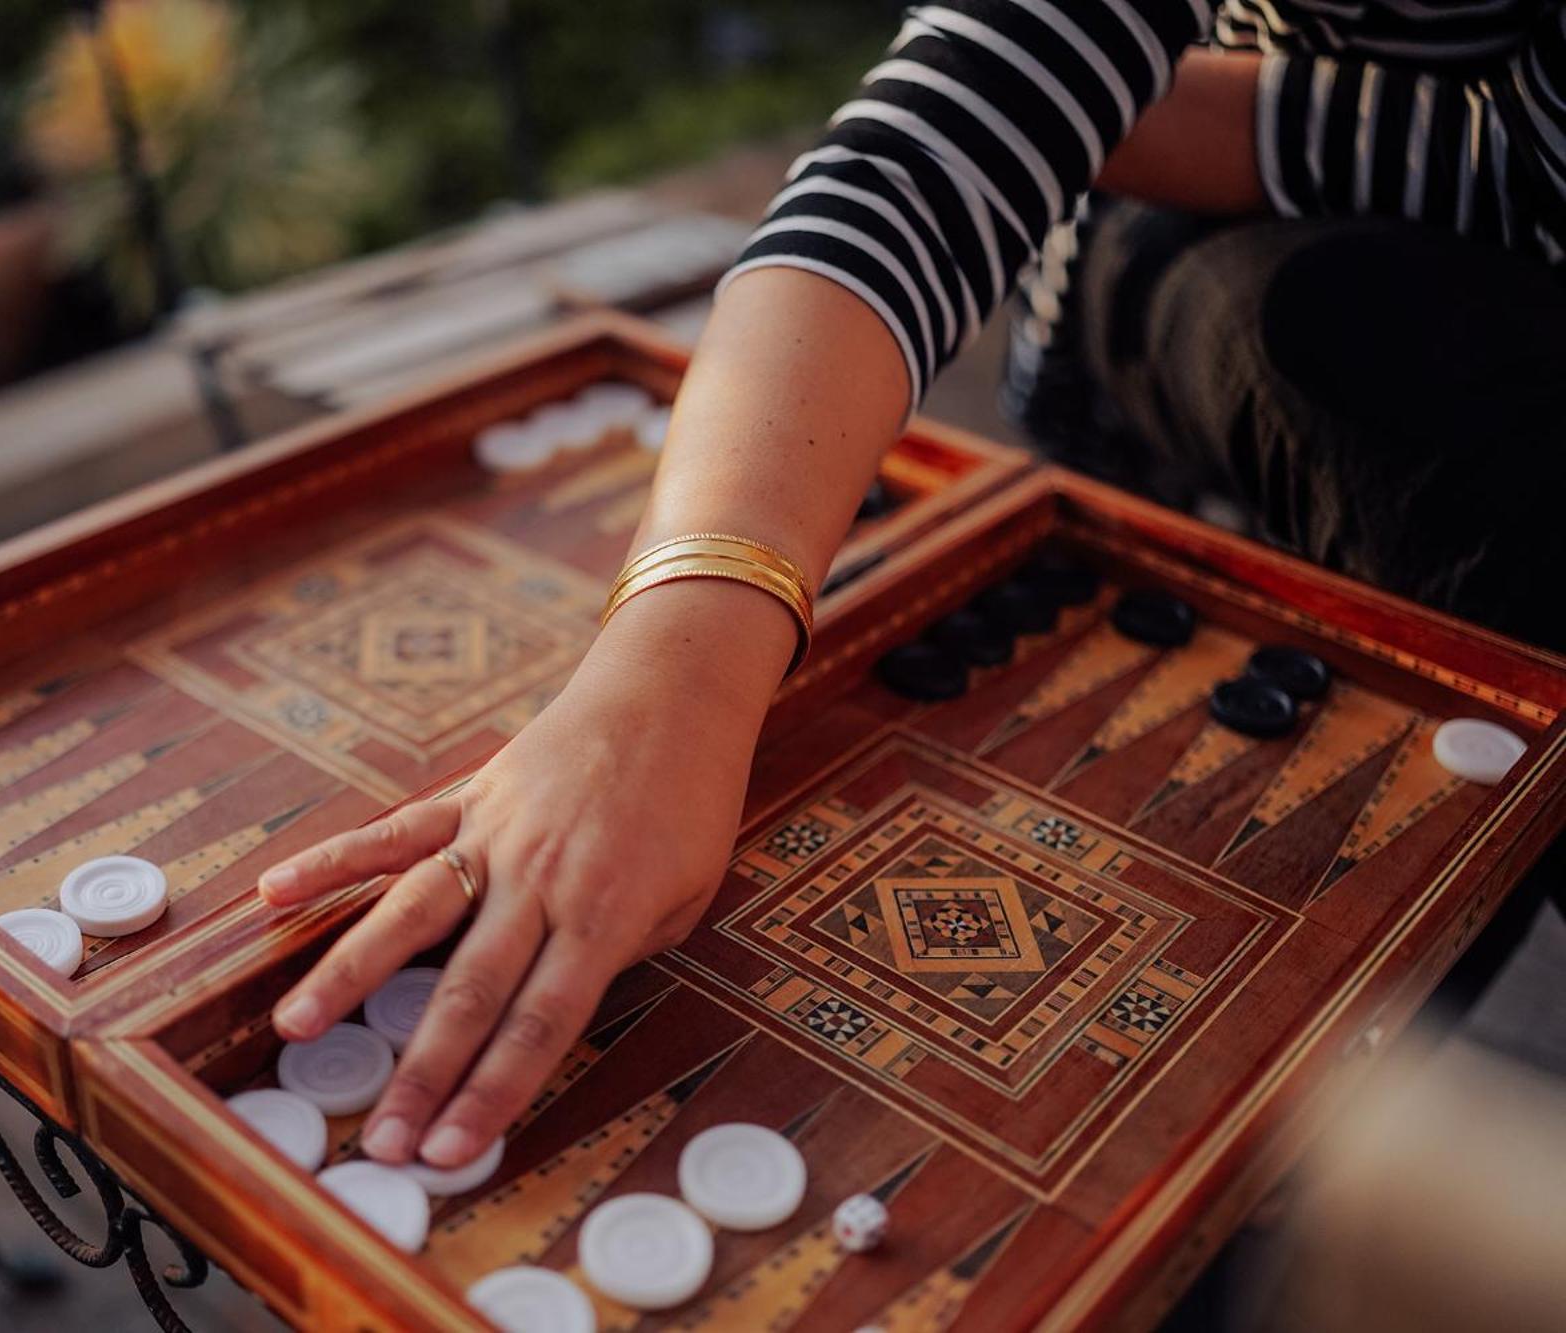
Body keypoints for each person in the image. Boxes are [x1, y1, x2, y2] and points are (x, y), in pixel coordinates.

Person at [256, 0, 1566, 1175]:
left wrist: (1156, 117)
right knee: (1361, 358)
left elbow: (1512, 168)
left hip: (1448, 273)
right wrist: (664, 679)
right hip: (1260, 291)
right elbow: (913, 169)